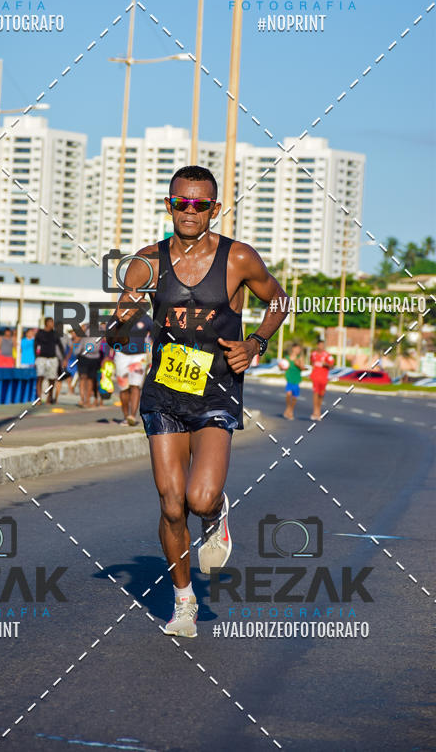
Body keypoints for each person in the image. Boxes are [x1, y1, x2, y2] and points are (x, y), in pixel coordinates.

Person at [106, 165, 289, 638]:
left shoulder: (239, 258)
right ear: (169, 205)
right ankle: (183, 601)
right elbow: (120, 329)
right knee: (171, 505)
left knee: (199, 497)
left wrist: (256, 344)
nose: (190, 211)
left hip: (217, 388)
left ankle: (216, 514)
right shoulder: (145, 262)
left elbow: (279, 300)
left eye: (200, 204)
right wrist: (119, 324)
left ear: (215, 208)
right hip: (165, 391)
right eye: (181, 203)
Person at [113, 312, 154, 426]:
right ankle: (126, 417)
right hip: (121, 354)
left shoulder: (145, 318)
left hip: (139, 357)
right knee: (124, 388)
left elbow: (155, 333)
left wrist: (151, 344)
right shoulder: (121, 316)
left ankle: (132, 416)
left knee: (136, 386)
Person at [34, 317, 64, 403]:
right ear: (46, 323)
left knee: (52, 378)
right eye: (51, 322)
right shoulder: (40, 333)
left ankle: (49, 397)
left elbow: (60, 346)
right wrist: (36, 357)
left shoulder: (55, 334)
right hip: (41, 358)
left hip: (52, 358)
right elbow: (35, 345)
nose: (52, 324)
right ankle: (38, 398)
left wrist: (63, 358)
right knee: (40, 377)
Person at [75, 323, 104, 407]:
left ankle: (87, 400)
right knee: (83, 377)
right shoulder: (85, 326)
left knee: (91, 379)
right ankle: (82, 399)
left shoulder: (101, 328)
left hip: (95, 357)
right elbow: (76, 339)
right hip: (84, 356)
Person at [310, 338, 335, 420]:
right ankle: (315, 412)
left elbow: (332, 366)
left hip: (324, 377)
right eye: (320, 345)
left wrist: (326, 364)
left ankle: (318, 409)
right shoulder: (313, 354)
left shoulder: (328, 355)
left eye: (323, 345)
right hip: (315, 377)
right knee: (315, 393)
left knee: (321, 394)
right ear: (318, 345)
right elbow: (312, 363)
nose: (322, 346)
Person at [283, 343, 305, 420]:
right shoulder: (287, 358)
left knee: (294, 397)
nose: (298, 350)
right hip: (289, 379)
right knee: (288, 394)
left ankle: (290, 410)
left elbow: (303, 368)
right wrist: (281, 367)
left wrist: (298, 364)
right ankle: (288, 409)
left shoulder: (300, 358)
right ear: (293, 349)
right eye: (297, 349)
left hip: (297, 379)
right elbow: (283, 366)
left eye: (299, 349)